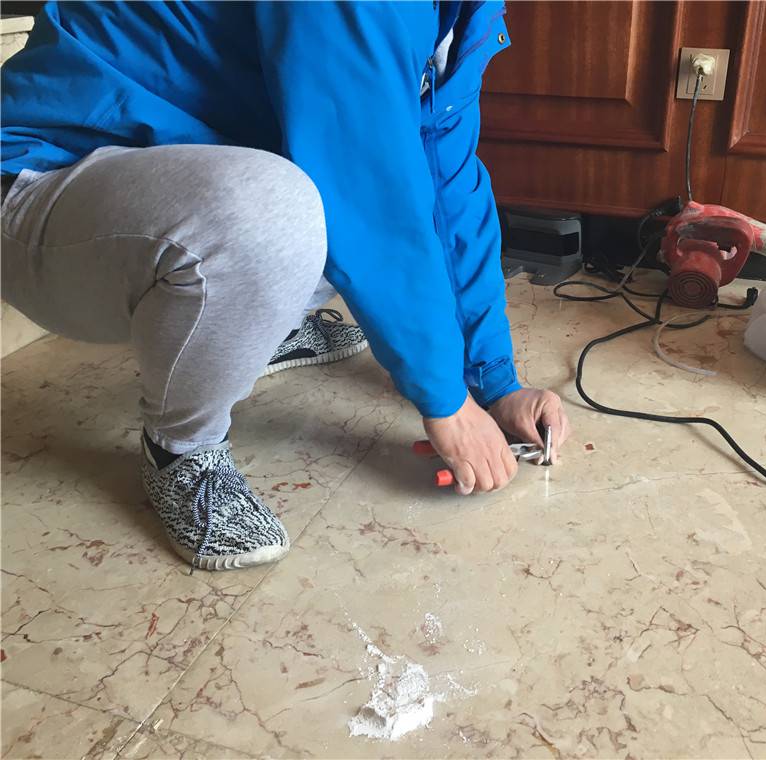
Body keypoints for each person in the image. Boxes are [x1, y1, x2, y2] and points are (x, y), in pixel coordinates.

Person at [0, 1, 570, 571]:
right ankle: (180, 451)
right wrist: (447, 402)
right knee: (284, 208)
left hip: (166, 190)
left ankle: (261, 337)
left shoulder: (463, 10)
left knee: (338, 203)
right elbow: (366, 188)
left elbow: (447, 185)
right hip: (40, 187)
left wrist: (493, 381)